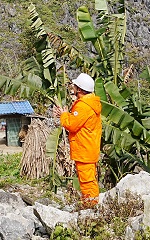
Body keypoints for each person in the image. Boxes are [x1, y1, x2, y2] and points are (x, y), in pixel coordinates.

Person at [53, 73, 102, 206]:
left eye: (75, 86)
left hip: (84, 150)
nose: (73, 87)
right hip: (89, 148)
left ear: (79, 89)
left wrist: (64, 115)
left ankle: (91, 206)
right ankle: (91, 204)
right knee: (89, 179)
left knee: (87, 181)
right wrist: (64, 115)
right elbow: (78, 121)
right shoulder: (90, 103)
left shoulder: (83, 106)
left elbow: (71, 125)